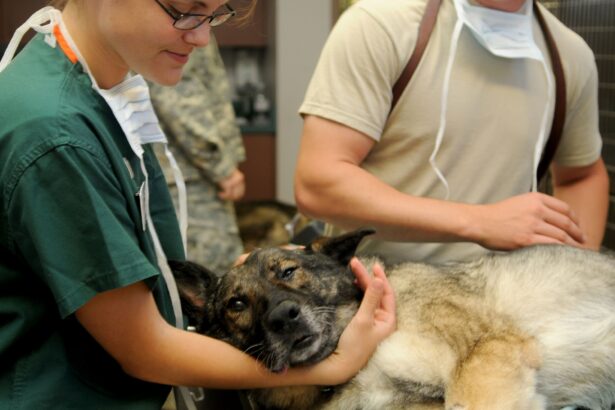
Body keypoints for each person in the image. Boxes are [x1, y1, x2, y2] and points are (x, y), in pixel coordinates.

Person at [0, 1, 396, 409]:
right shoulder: (56, 134)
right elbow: (144, 348)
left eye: (214, 15)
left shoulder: (101, 95)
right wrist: (333, 364)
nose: (203, 36)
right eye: (184, 11)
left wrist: (255, 280)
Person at [295, 0, 609, 265]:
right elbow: (318, 183)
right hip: (376, 303)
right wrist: (480, 222)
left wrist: (574, 272)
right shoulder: (382, 25)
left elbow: (581, 175)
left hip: (505, 307)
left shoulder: (569, 56)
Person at [149, 37, 246, 274]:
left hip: (186, 173)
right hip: (189, 177)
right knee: (211, 279)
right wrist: (221, 167)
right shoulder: (181, 23)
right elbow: (178, 98)